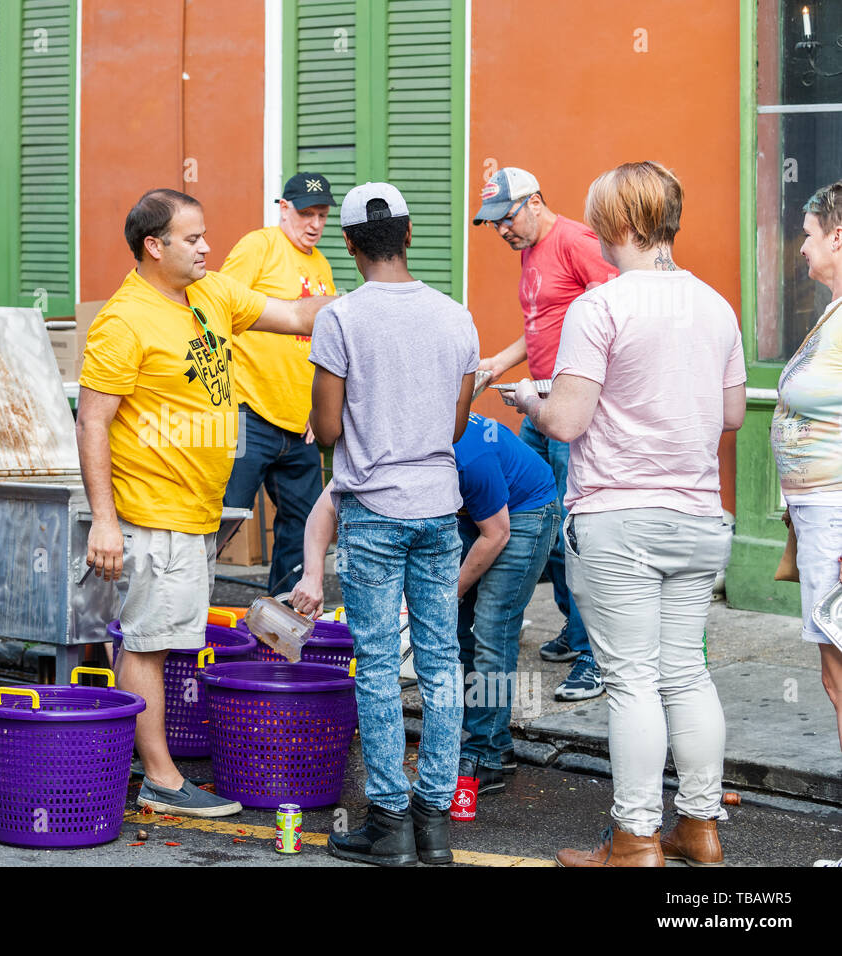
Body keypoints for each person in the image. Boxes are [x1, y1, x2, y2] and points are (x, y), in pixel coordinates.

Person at [511, 161, 744, 867]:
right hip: (699, 516)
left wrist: (531, 401)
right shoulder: (715, 304)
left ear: (619, 224)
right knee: (686, 673)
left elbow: (568, 421)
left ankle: (637, 838)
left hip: (620, 516)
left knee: (633, 680)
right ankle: (699, 828)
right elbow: (731, 414)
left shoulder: (601, 307)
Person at [77, 187, 332, 818]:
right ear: (153, 246)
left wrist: (378, 302)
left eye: (205, 235)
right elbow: (91, 421)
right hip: (152, 513)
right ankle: (161, 781)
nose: (207, 248)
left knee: (159, 638)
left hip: (195, 510)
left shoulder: (211, 293)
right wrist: (105, 521)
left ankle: (149, 763)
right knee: (146, 642)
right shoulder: (124, 319)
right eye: (194, 238)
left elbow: (300, 318)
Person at [310, 182, 477, 866]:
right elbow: (457, 423)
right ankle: (434, 821)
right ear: (409, 236)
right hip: (440, 508)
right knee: (442, 665)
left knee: (377, 667)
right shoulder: (456, 315)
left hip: (372, 510)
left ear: (349, 245)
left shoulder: (339, 319)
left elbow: (324, 431)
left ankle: (389, 824)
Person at [292, 414, 557, 794]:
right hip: (469, 513)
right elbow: (326, 507)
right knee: (454, 634)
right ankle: (492, 742)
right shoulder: (383, 446)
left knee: (491, 629)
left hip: (522, 513)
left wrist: (451, 592)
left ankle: (486, 755)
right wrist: (313, 575)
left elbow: (496, 533)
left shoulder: (468, 455)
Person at [473, 167, 618, 702]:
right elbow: (540, 324)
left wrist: (573, 390)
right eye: (493, 225)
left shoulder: (576, 240)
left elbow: (615, 316)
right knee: (543, 520)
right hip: (541, 404)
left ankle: (595, 656)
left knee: (574, 532)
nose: (502, 231)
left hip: (572, 408)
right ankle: (572, 627)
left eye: (506, 218)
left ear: (535, 201)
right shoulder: (530, 249)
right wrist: (497, 363)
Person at [220, 172, 337, 593]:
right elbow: (217, 310)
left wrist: (321, 408)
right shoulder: (259, 246)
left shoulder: (321, 264)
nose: (316, 225)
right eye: (307, 214)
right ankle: (184, 613)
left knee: (306, 528)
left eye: (323, 215)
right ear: (283, 208)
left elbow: (324, 343)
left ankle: (282, 619)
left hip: (300, 424)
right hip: (248, 412)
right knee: (222, 518)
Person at [771, 179, 842, 778]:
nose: (801, 247)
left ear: (838, 236)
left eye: (809, 234)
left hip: (838, 519)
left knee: (841, 675)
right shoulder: (832, 313)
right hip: (822, 516)